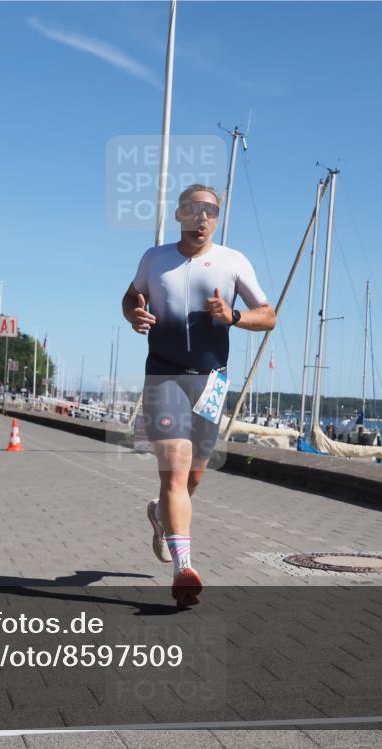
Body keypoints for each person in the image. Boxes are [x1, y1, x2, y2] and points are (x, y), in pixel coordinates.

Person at [122, 184, 276, 606]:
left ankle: (158, 514)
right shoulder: (155, 259)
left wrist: (235, 316)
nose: (204, 217)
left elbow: (269, 316)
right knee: (173, 472)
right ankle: (183, 568)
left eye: (211, 210)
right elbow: (131, 296)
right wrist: (134, 312)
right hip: (164, 377)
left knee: (191, 480)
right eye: (195, 209)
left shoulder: (233, 261)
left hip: (211, 382)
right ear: (181, 214)